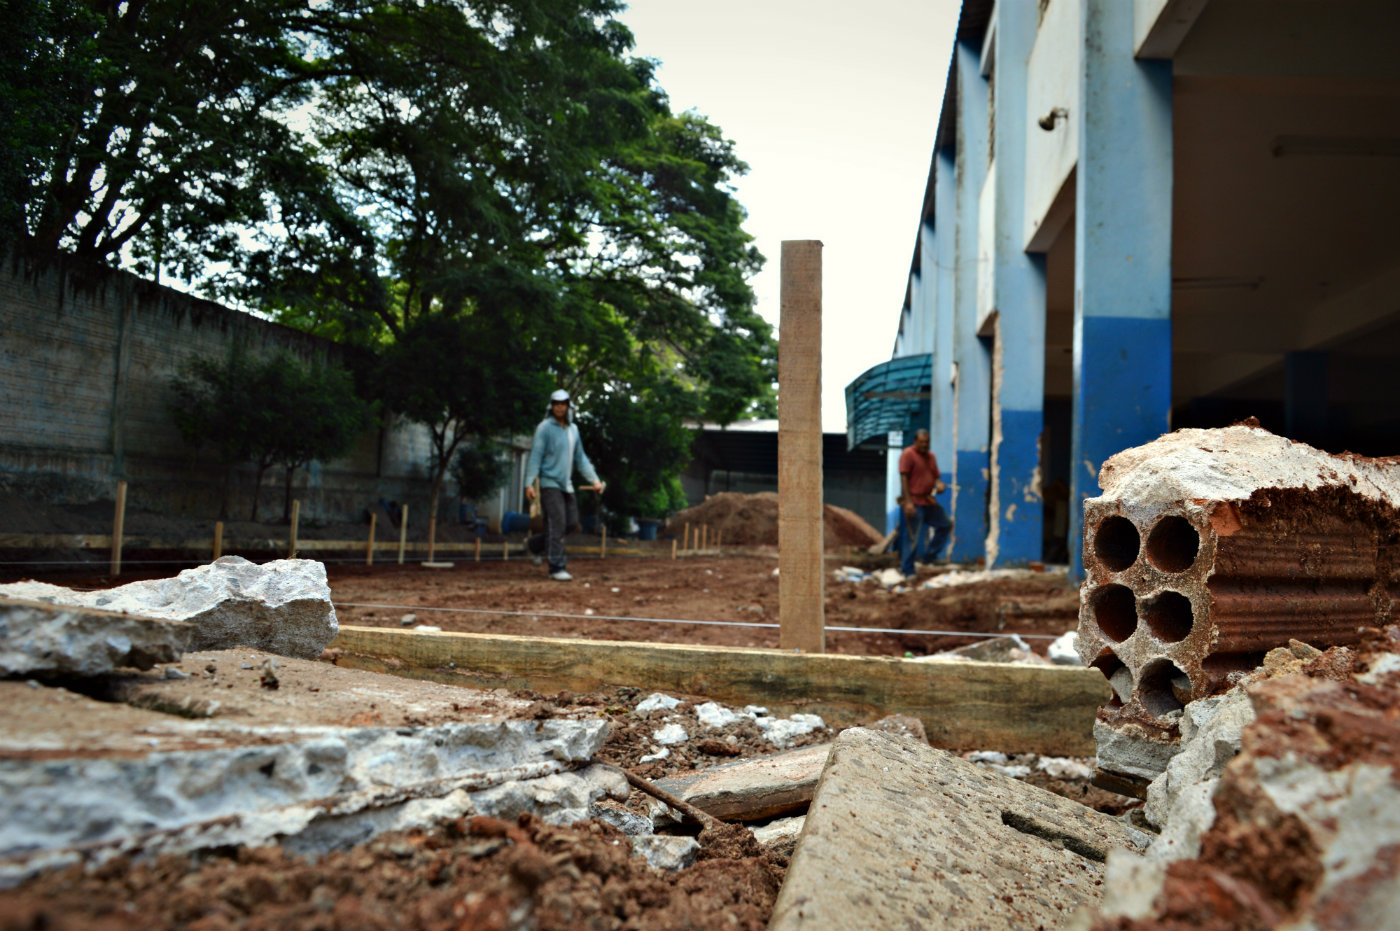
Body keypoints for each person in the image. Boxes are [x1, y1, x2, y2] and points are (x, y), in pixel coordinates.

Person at [524, 389, 605, 581]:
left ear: (569, 407)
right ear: (551, 406)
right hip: (549, 483)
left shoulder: (573, 430)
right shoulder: (544, 428)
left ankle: (534, 545)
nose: (559, 407)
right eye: (556, 404)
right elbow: (536, 456)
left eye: (563, 404)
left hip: (566, 485)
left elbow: (581, 458)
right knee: (557, 523)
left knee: (571, 523)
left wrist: (594, 479)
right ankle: (556, 567)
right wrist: (529, 483)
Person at [897, 428, 953, 578]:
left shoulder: (931, 456)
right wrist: (908, 502)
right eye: (921, 442)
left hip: (928, 501)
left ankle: (929, 556)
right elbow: (904, 478)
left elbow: (935, 478)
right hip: (914, 501)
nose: (924, 445)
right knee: (912, 536)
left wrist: (939, 485)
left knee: (945, 524)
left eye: (927, 442)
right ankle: (907, 569)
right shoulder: (908, 454)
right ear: (915, 441)